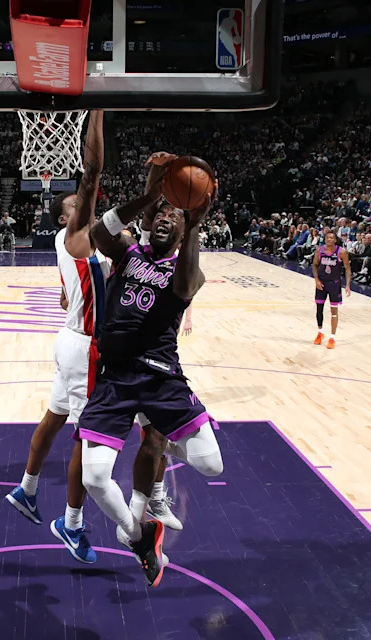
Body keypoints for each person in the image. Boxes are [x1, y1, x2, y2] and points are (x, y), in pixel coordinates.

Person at [76, 153, 224, 587]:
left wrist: (193, 224)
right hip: (116, 378)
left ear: (183, 231)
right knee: (94, 477)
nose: (164, 218)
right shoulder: (128, 254)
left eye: (173, 217)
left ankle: (167, 448)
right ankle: (140, 537)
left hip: (161, 378)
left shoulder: (187, 271)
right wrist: (149, 195)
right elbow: (100, 232)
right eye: (161, 213)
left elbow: (185, 285)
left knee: (212, 466)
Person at [5, 111, 108, 563]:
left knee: (53, 418)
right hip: (84, 346)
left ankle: (26, 489)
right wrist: (96, 112)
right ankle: (71, 523)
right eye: (75, 206)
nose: (82, 207)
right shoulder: (73, 236)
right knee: (85, 436)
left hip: (71, 341)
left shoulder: (83, 242)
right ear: (64, 218)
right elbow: (91, 174)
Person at [312, 230, 352, 349]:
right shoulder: (319, 250)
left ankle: (332, 337)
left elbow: (347, 268)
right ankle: (320, 332)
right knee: (319, 309)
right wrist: (316, 280)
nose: (329, 239)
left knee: (334, 311)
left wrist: (348, 285)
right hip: (321, 283)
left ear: (335, 240)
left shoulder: (342, 252)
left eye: (331, 238)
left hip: (334, 284)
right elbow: (314, 265)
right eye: (327, 238)